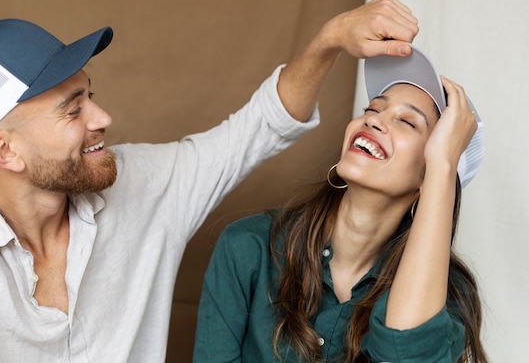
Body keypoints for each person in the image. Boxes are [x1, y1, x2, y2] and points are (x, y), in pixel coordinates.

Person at [0, 0, 418, 363]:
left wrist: (330, 38)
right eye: (72, 110)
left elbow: (260, 127)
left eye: (90, 94)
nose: (102, 117)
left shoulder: (143, 184)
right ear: (3, 150)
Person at [193, 46, 488, 362]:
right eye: (372, 109)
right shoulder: (248, 246)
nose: (373, 122)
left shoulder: (450, 296)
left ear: (430, 182)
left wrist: (443, 165)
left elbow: (406, 352)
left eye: (407, 122)